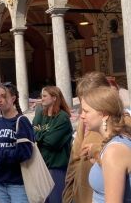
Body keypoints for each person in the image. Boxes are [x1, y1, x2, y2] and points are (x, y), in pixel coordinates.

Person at [0, 83, 34, 203]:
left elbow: (25, 153)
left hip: (18, 184)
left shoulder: (22, 122)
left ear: (13, 98)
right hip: (0, 182)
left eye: (3, 96)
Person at [62, 72, 110, 203]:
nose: (82, 113)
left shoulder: (121, 124)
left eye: (87, 107)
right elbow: (74, 161)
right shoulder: (84, 121)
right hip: (77, 195)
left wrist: (97, 151)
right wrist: (68, 195)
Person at [80, 86, 131, 202]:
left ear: (104, 115)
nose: (82, 116)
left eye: (86, 111)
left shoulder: (114, 151)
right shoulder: (117, 141)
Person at [32, 86, 73, 203]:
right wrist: (45, 133)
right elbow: (31, 134)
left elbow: (52, 142)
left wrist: (39, 133)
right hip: (41, 167)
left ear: (54, 98)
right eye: (41, 96)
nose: (42, 99)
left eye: (44, 96)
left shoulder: (62, 117)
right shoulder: (40, 114)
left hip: (57, 168)